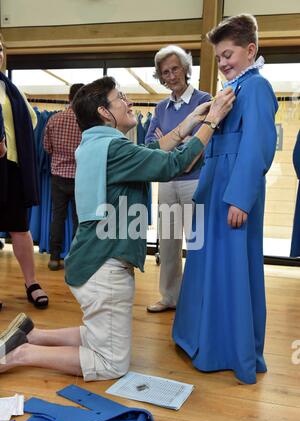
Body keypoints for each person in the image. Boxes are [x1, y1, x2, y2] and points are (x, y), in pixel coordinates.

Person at [0, 76, 234, 380]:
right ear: (104, 112)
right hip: (104, 267)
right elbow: (172, 165)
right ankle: (21, 354)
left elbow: (153, 153)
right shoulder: (114, 149)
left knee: (99, 335)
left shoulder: (98, 143)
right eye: (121, 97)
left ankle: (33, 336)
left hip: (93, 260)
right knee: (111, 362)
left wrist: (190, 120)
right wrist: (212, 122)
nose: (129, 102)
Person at [172, 14, 278, 385]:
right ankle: (201, 338)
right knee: (206, 263)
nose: (223, 63)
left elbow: (259, 145)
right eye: (218, 57)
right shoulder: (231, 89)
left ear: (251, 51)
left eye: (228, 54)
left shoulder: (258, 88)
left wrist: (240, 199)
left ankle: (229, 349)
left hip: (232, 190)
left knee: (232, 269)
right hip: (212, 185)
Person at [145, 45, 211, 313]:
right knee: (169, 242)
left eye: (174, 69)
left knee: (197, 242)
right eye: (165, 72)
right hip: (168, 182)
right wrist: (182, 138)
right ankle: (169, 297)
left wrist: (170, 139)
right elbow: (150, 144)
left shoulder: (204, 99)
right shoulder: (161, 107)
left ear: (186, 69)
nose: (171, 76)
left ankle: (198, 299)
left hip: (196, 181)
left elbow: (203, 142)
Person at [0, 34, 48, 310]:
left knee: (20, 227)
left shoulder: (9, 88)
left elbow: (30, 120)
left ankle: (31, 282)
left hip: (12, 166)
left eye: (0, 49)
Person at [43, 83, 83, 270]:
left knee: (57, 217)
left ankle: (54, 257)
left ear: (69, 97)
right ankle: (74, 258)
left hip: (58, 176)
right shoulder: (87, 123)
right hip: (80, 177)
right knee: (78, 219)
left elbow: (47, 148)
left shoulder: (54, 119)